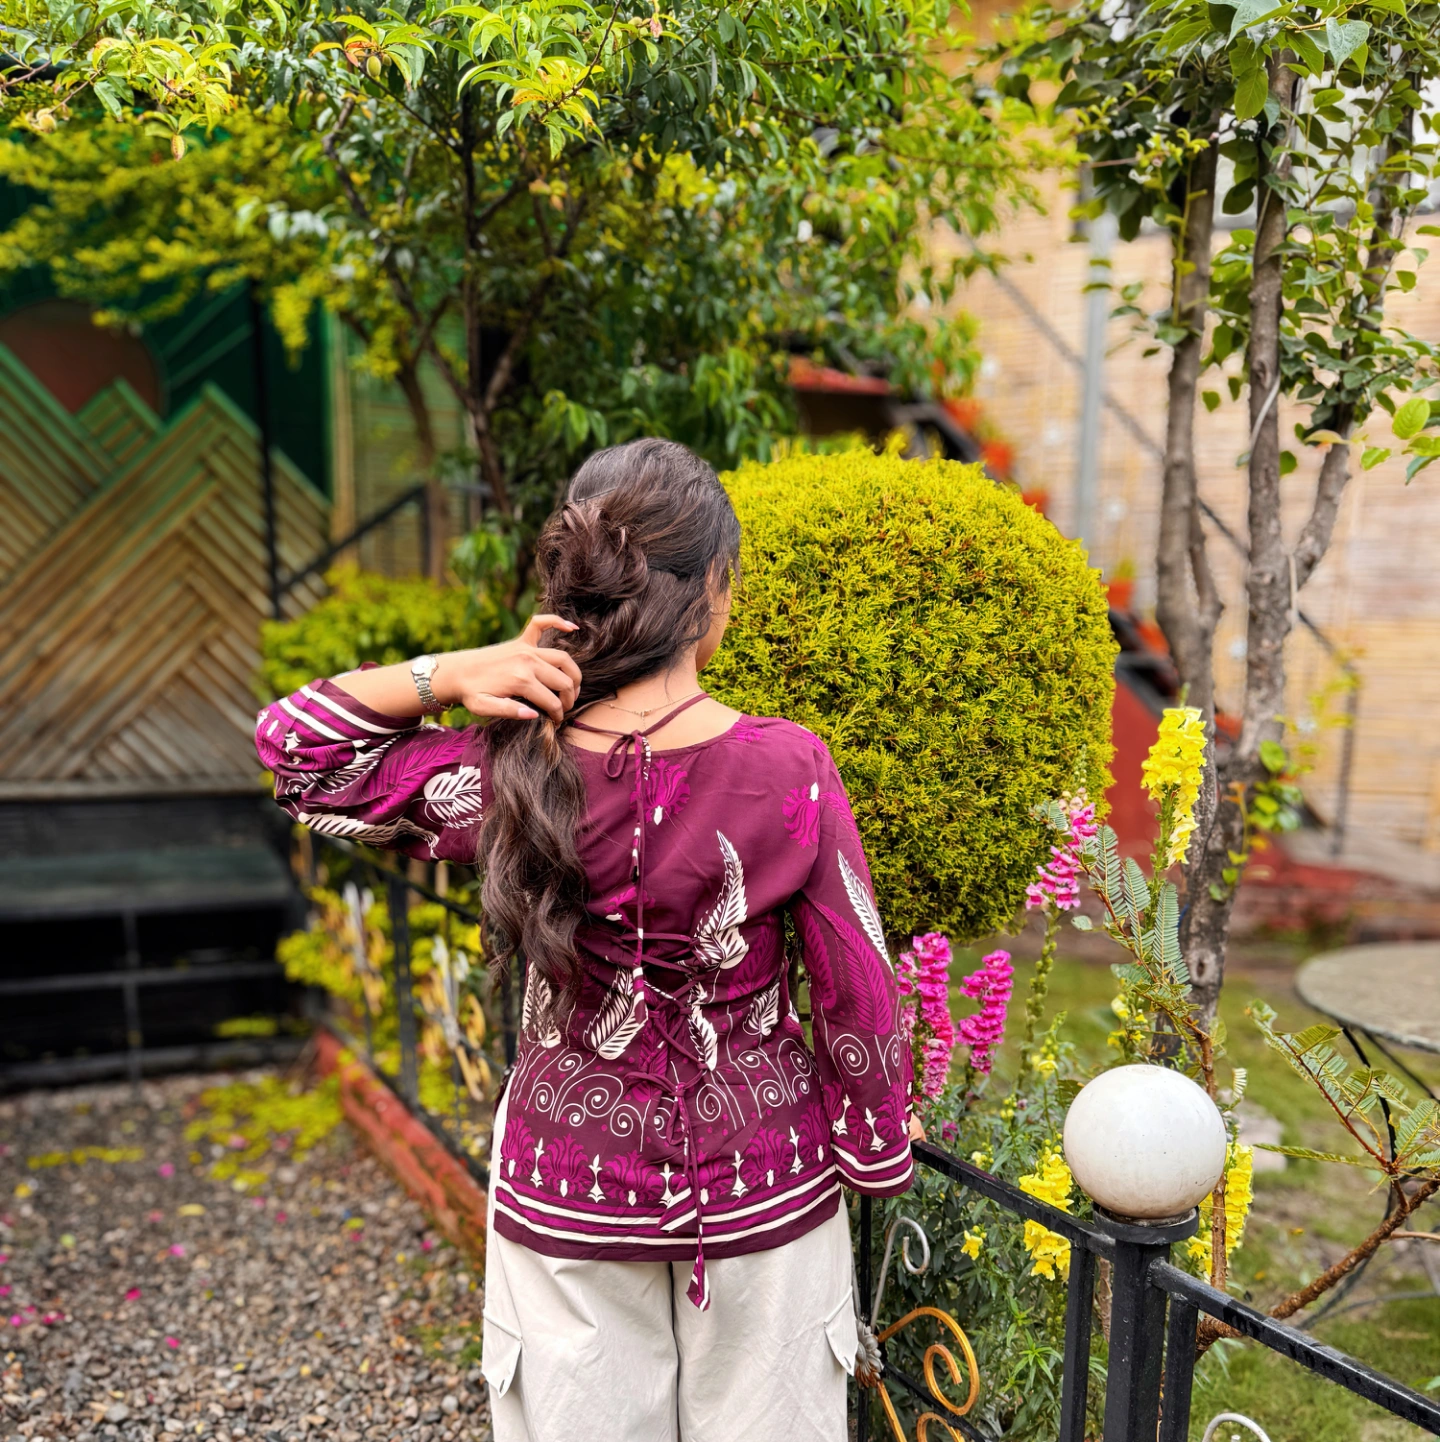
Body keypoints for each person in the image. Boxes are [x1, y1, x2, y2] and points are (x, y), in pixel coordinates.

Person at [255, 438, 915, 1442]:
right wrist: (874, 1149)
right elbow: (855, 983)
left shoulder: (511, 770)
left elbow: (297, 754)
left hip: (566, 1184)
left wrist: (451, 673)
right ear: (713, 589)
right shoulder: (790, 767)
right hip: (765, 1186)